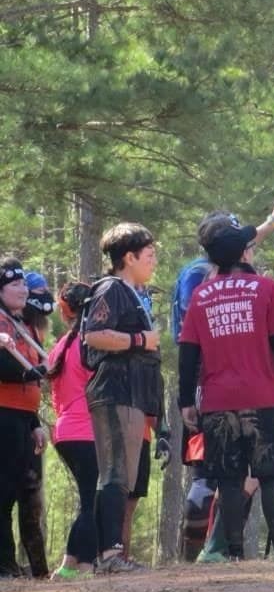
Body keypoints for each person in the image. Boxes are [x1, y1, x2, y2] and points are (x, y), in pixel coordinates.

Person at [171, 197, 274, 563]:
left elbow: (188, 353)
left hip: (217, 400)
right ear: (244, 252)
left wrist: (185, 401)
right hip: (264, 395)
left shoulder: (201, 295)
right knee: (270, 474)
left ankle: (235, 553)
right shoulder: (266, 288)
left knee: (228, 478)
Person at [83, 222, 163, 574]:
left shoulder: (133, 293)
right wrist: (139, 340)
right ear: (129, 258)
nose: (153, 261)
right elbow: (94, 335)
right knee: (115, 472)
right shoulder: (111, 288)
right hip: (114, 389)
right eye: (149, 255)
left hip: (133, 393)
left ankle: (115, 553)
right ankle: (109, 554)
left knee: (124, 476)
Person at [47, 282, 98, 580]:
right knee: (92, 501)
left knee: (86, 498)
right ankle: (85, 565)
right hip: (86, 431)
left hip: (65, 432)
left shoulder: (60, 347)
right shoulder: (88, 344)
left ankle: (69, 564)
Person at [0, 258, 47, 579]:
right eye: (15, 284)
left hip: (23, 418)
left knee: (26, 493)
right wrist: (34, 372)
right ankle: (4, 564)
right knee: (3, 492)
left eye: (24, 284)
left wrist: (35, 423)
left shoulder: (23, 324)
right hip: (3, 415)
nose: (23, 289)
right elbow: (8, 369)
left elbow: (33, 377)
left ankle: (31, 566)